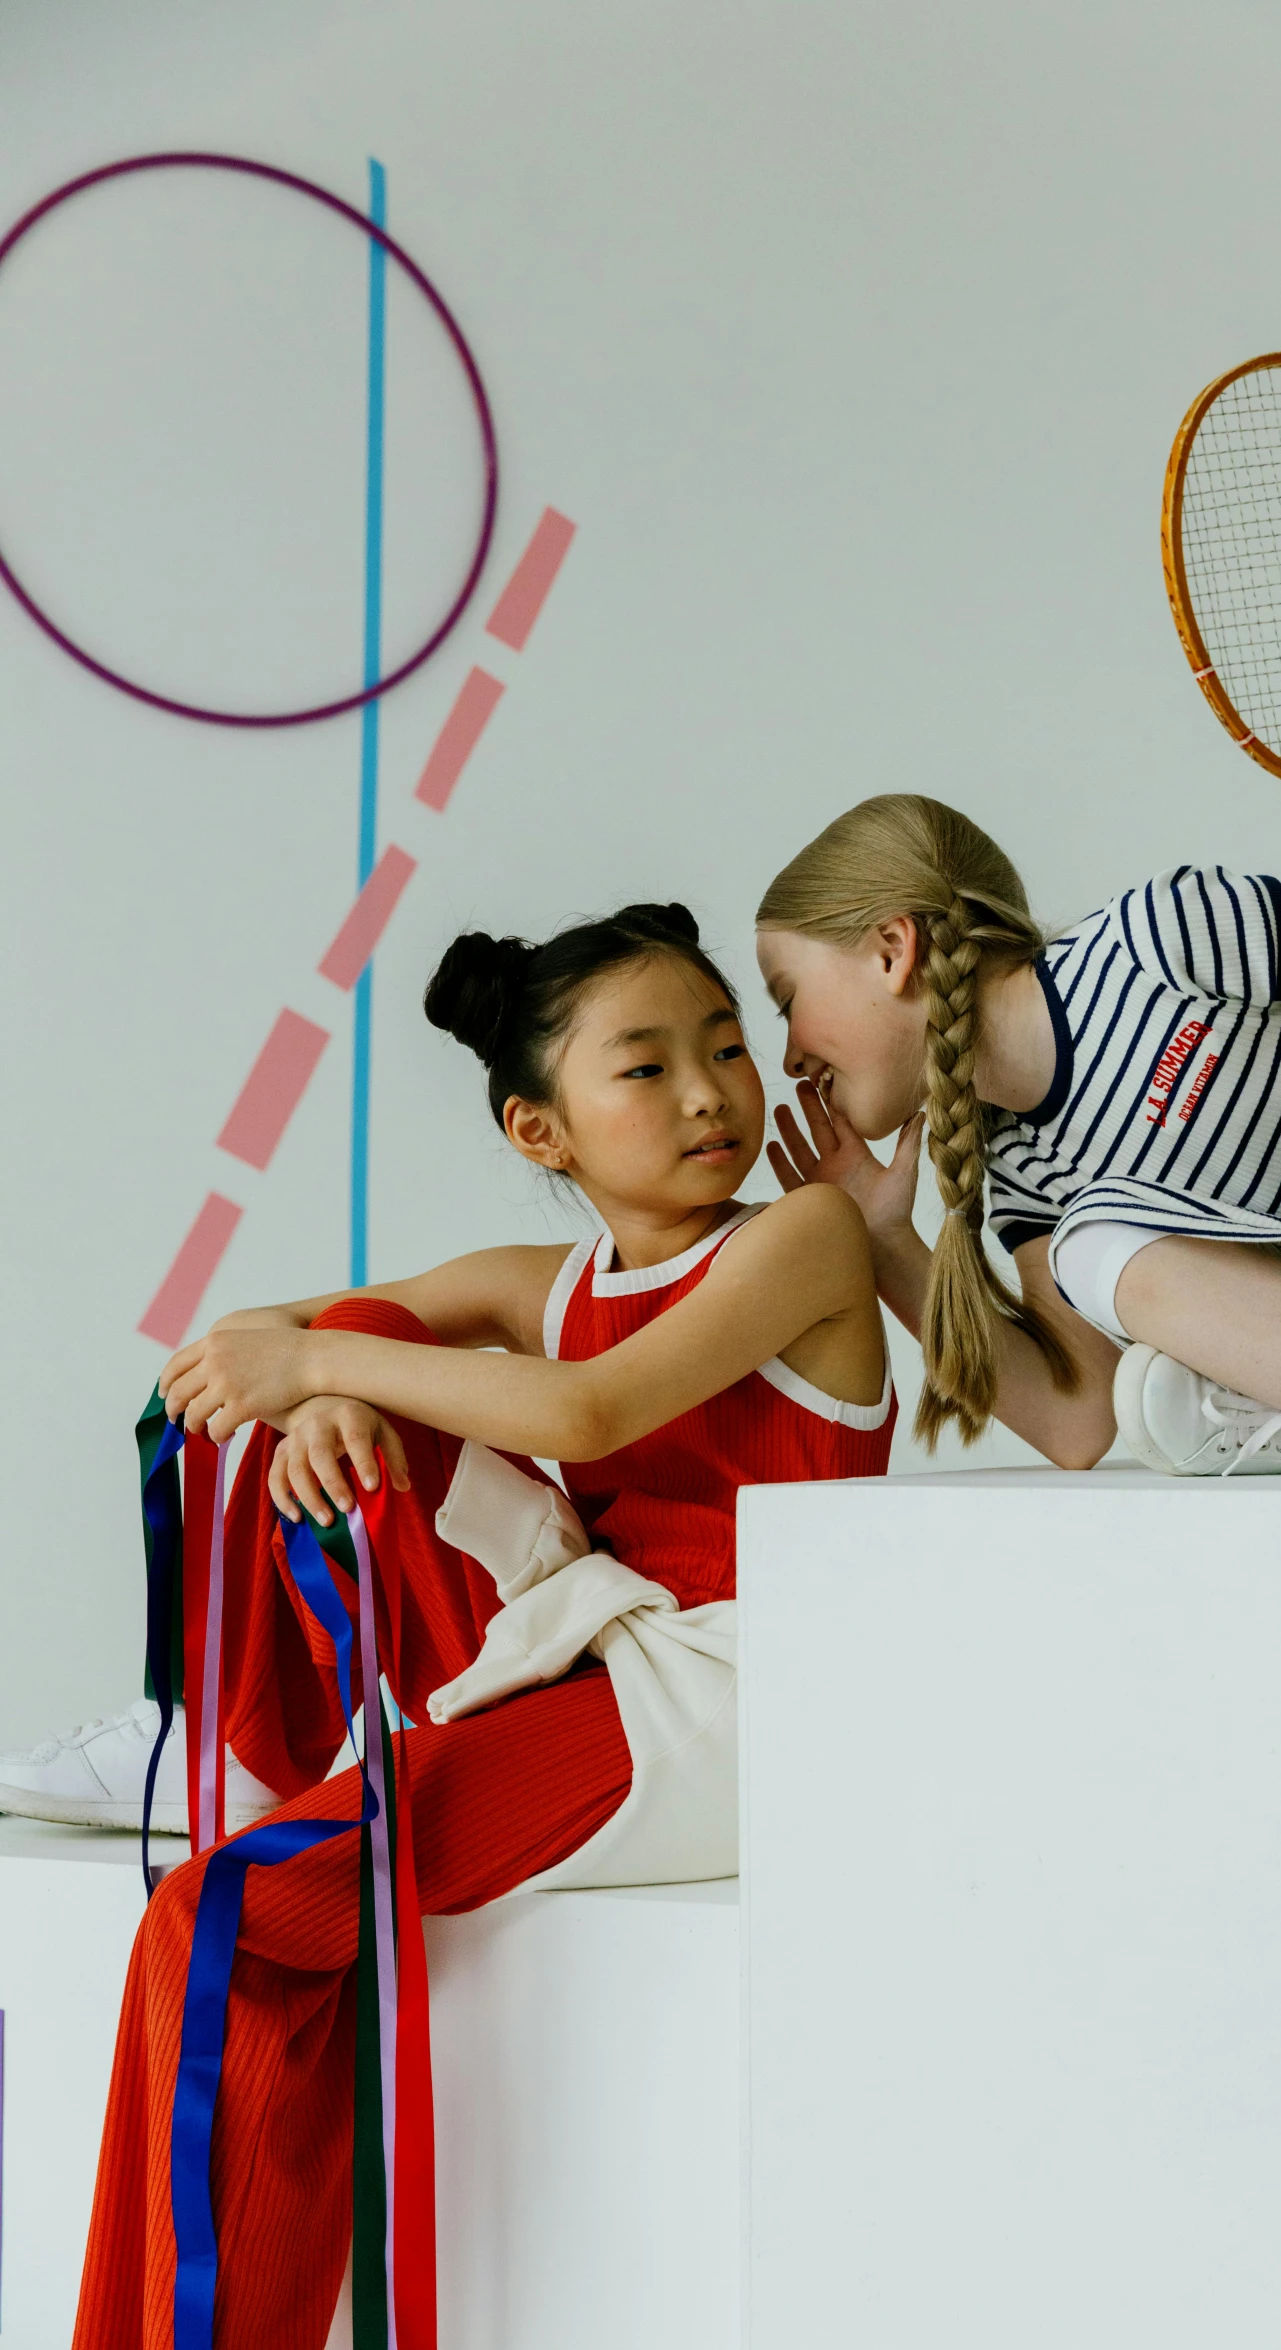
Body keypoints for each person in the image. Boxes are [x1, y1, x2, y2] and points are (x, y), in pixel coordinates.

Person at [68, 900, 893, 2350]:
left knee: (218, 1917)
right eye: (643, 1067)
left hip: (728, 1699)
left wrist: (321, 1362)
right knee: (367, 1356)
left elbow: (594, 1408)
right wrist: (333, 1380)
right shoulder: (542, 1285)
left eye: (721, 1045)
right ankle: (252, 1737)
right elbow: (246, 1345)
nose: (708, 1089)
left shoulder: (804, 1238)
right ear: (539, 1131)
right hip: (590, 1642)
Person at [755, 793, 1281, 1477]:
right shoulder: (1028, 1167)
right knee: (1089, 1242)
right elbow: (1077, 1422)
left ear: (892, 950)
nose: (789, 1053)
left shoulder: (1155, 939)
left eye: (787, 997)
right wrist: (886, 1241)